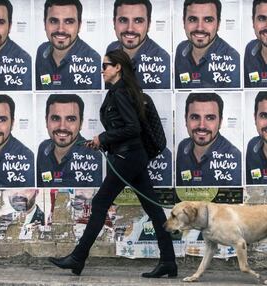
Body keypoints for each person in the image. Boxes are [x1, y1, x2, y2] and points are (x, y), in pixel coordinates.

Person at [48, 49, 177, 278]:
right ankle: (169, 262)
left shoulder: (120, 93)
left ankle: (78, 258)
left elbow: (132, 128)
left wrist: (103, 138)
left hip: (128, 157)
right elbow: (126, 128)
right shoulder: (121, 92)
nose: (102, 69)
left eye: (106, 65)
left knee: (99, 204)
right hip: (132, 156)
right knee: (154, 209)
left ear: (118, 67)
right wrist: (103, 142)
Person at [36, 93, 103, 188]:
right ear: (46, 121)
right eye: (55, 118)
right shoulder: (43, 148)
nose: (62, 126)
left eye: (71, 119)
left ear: (81, 123)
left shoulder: (95, 157)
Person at [176, 92, 242, 186]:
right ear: (185, 119)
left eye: (210, 118)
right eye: (195, 117)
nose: (202, 126)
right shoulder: (182, 147)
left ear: (220, 122)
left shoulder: (235, 158)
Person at [36, 0, 101, 90]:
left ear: (79, 26)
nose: (61, 29)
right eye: (54, 21)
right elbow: (40, 88)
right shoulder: (41, 51)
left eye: (69, 22)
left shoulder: (95, 62)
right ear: (44, 24)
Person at [174, 0, 240, 88]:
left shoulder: (234, 61)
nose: (200, 28)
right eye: (193, 19)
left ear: (218, 24)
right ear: (184, 22)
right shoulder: (181, 49)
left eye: (208, 20)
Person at [106, 0, 170, 89]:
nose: (130, 29)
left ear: (149, 24)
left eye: (138, 21)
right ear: (114, 22)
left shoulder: (164, 61)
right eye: (123, 20)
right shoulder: (111, 49)